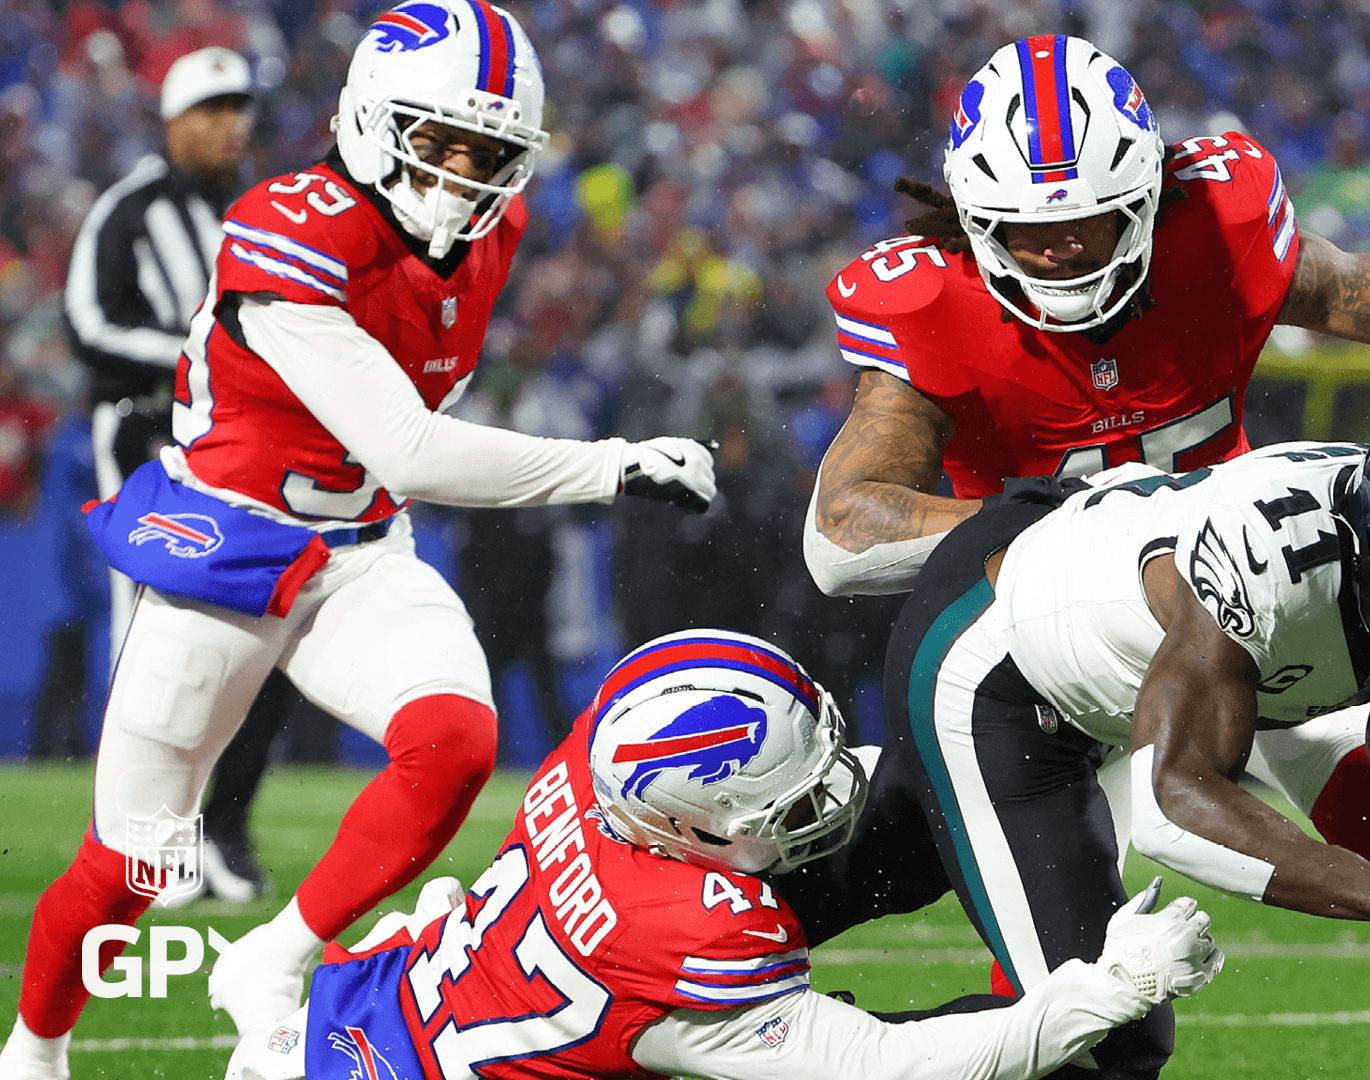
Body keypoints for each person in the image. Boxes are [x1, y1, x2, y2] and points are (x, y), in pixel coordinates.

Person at [800, 36, 1370, 1079]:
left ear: (1146, 197)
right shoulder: (934, 307)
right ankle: (740, 1015)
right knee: (1022, 946)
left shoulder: (1216, 232)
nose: (1064, 252)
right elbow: (844, 531)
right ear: (979, 220)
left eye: (1091, 221)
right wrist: (1086, 524)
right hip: (1051, 630)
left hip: (1250, 589)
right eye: (1032, 230)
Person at [0, 6, 719, 1077]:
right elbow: (409, 446)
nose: (464, 173)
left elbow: (409, 437)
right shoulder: (289, 226)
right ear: (374, 121)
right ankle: (34, 1050)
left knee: (455, 743)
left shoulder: (493, 232)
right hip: (227, 551)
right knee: (133, 868)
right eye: (441, 141)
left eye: (490, 151)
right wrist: (611, 464)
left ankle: (272, 956)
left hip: (361, 547)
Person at [778, 396, 1370, 1080]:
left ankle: (711, 959)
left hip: (1092, 654)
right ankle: (787, 1055)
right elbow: (1172, 801)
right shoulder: (1271, 572)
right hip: (996, 665)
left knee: (897, 860)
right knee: (1106, 1038)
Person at [221, 630, 1225, 1080]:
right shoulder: (678, 933)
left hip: (351, 1029)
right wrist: (1110, 988)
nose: (828, 792)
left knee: (899, 820)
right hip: (378, 1048)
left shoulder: (611, 763)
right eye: (791, 796)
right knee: (1042, 1060)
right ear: (685, 827)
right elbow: (895, 1068)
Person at [58, 44, 287, 904]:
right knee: (148, 629)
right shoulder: (129, 209)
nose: (233, 126)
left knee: (265, 627)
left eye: (241, 110)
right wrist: (200, 352)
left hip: (237, 443)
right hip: (144, 436)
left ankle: (221, 827)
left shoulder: (259, 214)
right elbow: (88, 325)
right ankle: (143, 838)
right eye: (213, 110)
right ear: (174, 121)